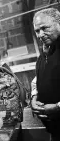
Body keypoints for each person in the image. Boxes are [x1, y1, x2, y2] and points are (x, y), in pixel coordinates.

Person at [31, 8, 60, 141]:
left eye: (45, 28)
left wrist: (57, 107)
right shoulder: (43, 55)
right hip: (55, 129)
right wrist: (34, 97)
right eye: (37, 30)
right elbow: (37, 79)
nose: (40, 35)